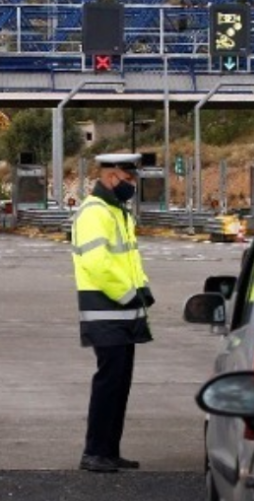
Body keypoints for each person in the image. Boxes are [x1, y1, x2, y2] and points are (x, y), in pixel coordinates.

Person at [70, 153, 154, 473]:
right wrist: (128, 294)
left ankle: (109, 450)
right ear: (111, 177)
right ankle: (94, 452)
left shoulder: (116, 211)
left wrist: (142, 288)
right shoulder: (95, 212)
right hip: (106, 310)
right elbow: (97, 264)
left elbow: (127, 259)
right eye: (128, 179)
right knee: (109, 382)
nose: (132, 185)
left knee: (119, 384)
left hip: (123, 312)